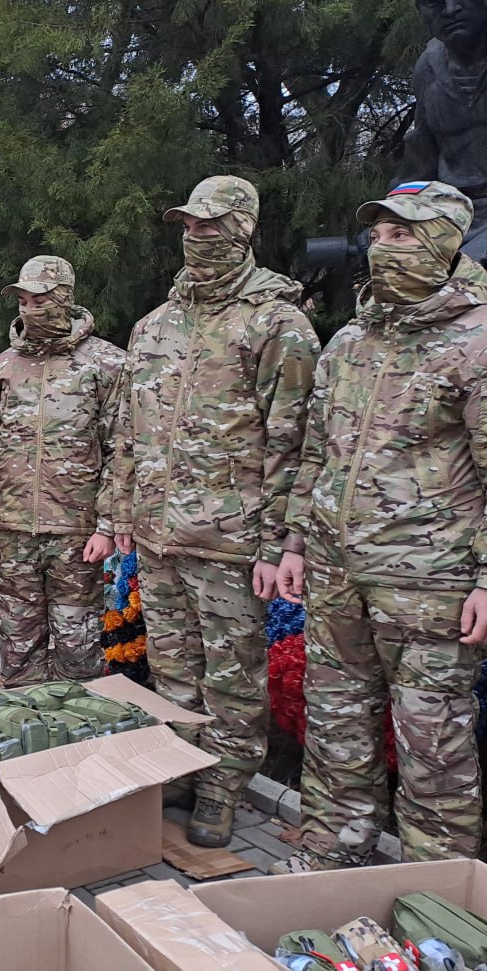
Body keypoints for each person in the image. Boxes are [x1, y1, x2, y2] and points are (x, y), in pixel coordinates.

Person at [274, 181, 487, 873]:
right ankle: (330, 859)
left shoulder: (476, 342)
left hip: (429, 582)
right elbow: (316, 452)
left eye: (403, 234)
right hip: (336, 573)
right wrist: (296, 542)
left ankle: (438, 895)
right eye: (379, 235)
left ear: (443, 244)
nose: (383, 248)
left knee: (433, 743)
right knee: (335, 721)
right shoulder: (350, 341)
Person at [113, 176, 319, 847]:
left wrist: (280, 544)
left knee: (232, 676)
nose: (196, 237)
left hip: (232, 539)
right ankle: (180, 767)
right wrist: (122, 514)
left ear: (243, 229)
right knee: (172, 666)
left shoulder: (278, 325)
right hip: (159, 535)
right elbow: (128, 430)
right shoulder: (154, 326)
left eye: (210, 225)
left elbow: (294, 442)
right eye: (189, 226)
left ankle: (223, 786)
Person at [0, 255, 126, 683]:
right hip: (12, 532)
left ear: (64, 298)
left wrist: (107, 525)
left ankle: (80, 719)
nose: (29, 309)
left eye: (40, 300)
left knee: (79, 645)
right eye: (22, 300)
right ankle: (23, 716)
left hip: (77, 533)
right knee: (18, 643)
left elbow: (119, 450)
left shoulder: (106, 364)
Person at [399, 0, 487, 259]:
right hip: (454, 215)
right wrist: (393, 213)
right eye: (434, 3)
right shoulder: (428, 67)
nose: (450, 10)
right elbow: (420, 158)